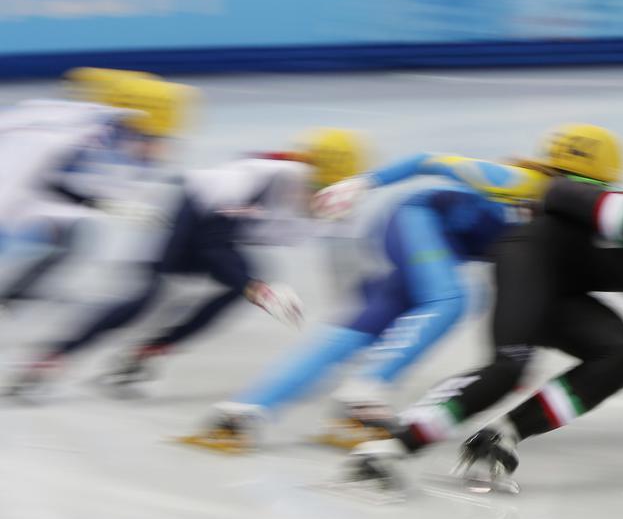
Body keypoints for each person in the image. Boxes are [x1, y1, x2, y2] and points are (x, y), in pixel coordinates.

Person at [178, 123, 623, 453]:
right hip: (416, 219)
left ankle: (246, 410)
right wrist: (363, 183)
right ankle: (366, 390)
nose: (577, 196)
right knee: (453, 299)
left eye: (591, 189)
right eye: (568, 180)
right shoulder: (523, 182)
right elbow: (429, 161)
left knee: (359, 329)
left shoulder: (575, 221)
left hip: (432, 246)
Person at [344, 162, 623, 492]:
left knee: (620, 358)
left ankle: (501, 435)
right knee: (508, 368)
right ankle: (393, 446)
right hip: (529, 257)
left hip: (565, 285)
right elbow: (558, 192)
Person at [6, 129, 367, 398]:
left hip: (222, 233)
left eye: (332, 197)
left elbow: (345, 273)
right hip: (192, 212)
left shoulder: (337, 209)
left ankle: (151, 350)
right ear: (307, 174)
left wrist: (358, 328)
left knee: (243, 286)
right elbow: (212, 245)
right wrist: (254, 287)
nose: (320, 204)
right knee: (147, 295)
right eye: (316, 191)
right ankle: (50, 359)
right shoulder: (261, 180)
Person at [0, 70, 190, 313]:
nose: (158, 147)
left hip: (30, 184)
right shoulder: (74, 136)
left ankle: (15, 294)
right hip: (15, 186)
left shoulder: (94, 123)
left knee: (69, 237)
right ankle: (14, 295)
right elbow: (48, 185)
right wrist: (104, 204)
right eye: (152, 139)